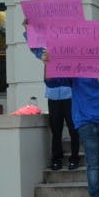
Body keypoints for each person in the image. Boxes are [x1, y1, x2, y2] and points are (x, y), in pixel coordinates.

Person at [40, 51, 99, 197]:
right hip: (86, 122)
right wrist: (47, 64)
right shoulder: (75, 68)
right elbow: (51, 82)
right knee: (93, 163)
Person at [24, 19, 80, 172]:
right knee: (56, 128)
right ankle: (56, 159)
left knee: (73, 127)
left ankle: (74, 158)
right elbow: (34, 47)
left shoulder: (71, 47)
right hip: (53, 94)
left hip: (70, 94)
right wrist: (28, 29)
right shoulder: (46, 48)